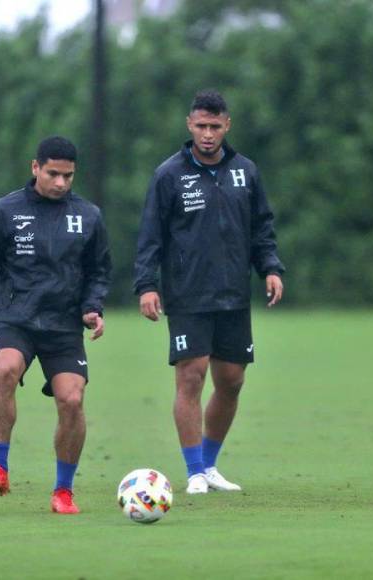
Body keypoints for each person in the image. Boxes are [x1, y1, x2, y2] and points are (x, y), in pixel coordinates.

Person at [134, 90, 285, 494]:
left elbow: (262, 228)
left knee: (232, 381)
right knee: (191, 376)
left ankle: (211, 464)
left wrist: (269, 267)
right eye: (201, 126)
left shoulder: (245, 172)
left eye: (214, 127)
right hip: (187, 293)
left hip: (233, 294)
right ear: (189, 124)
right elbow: (151, 235)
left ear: (227, 126)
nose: (207, 134)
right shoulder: (169, 175)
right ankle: (194, 471)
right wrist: (147, 284)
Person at [0, 136, 110, 515]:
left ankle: (63, 491)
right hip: (15, 316)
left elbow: (99, 272)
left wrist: (92, 308)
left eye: (68, 176)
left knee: (71, 400)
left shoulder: (88, 216)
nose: (60, 183)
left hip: (63, 325)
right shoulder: (4, 211)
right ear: (35, 167)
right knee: (4, 368)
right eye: (53, 173)